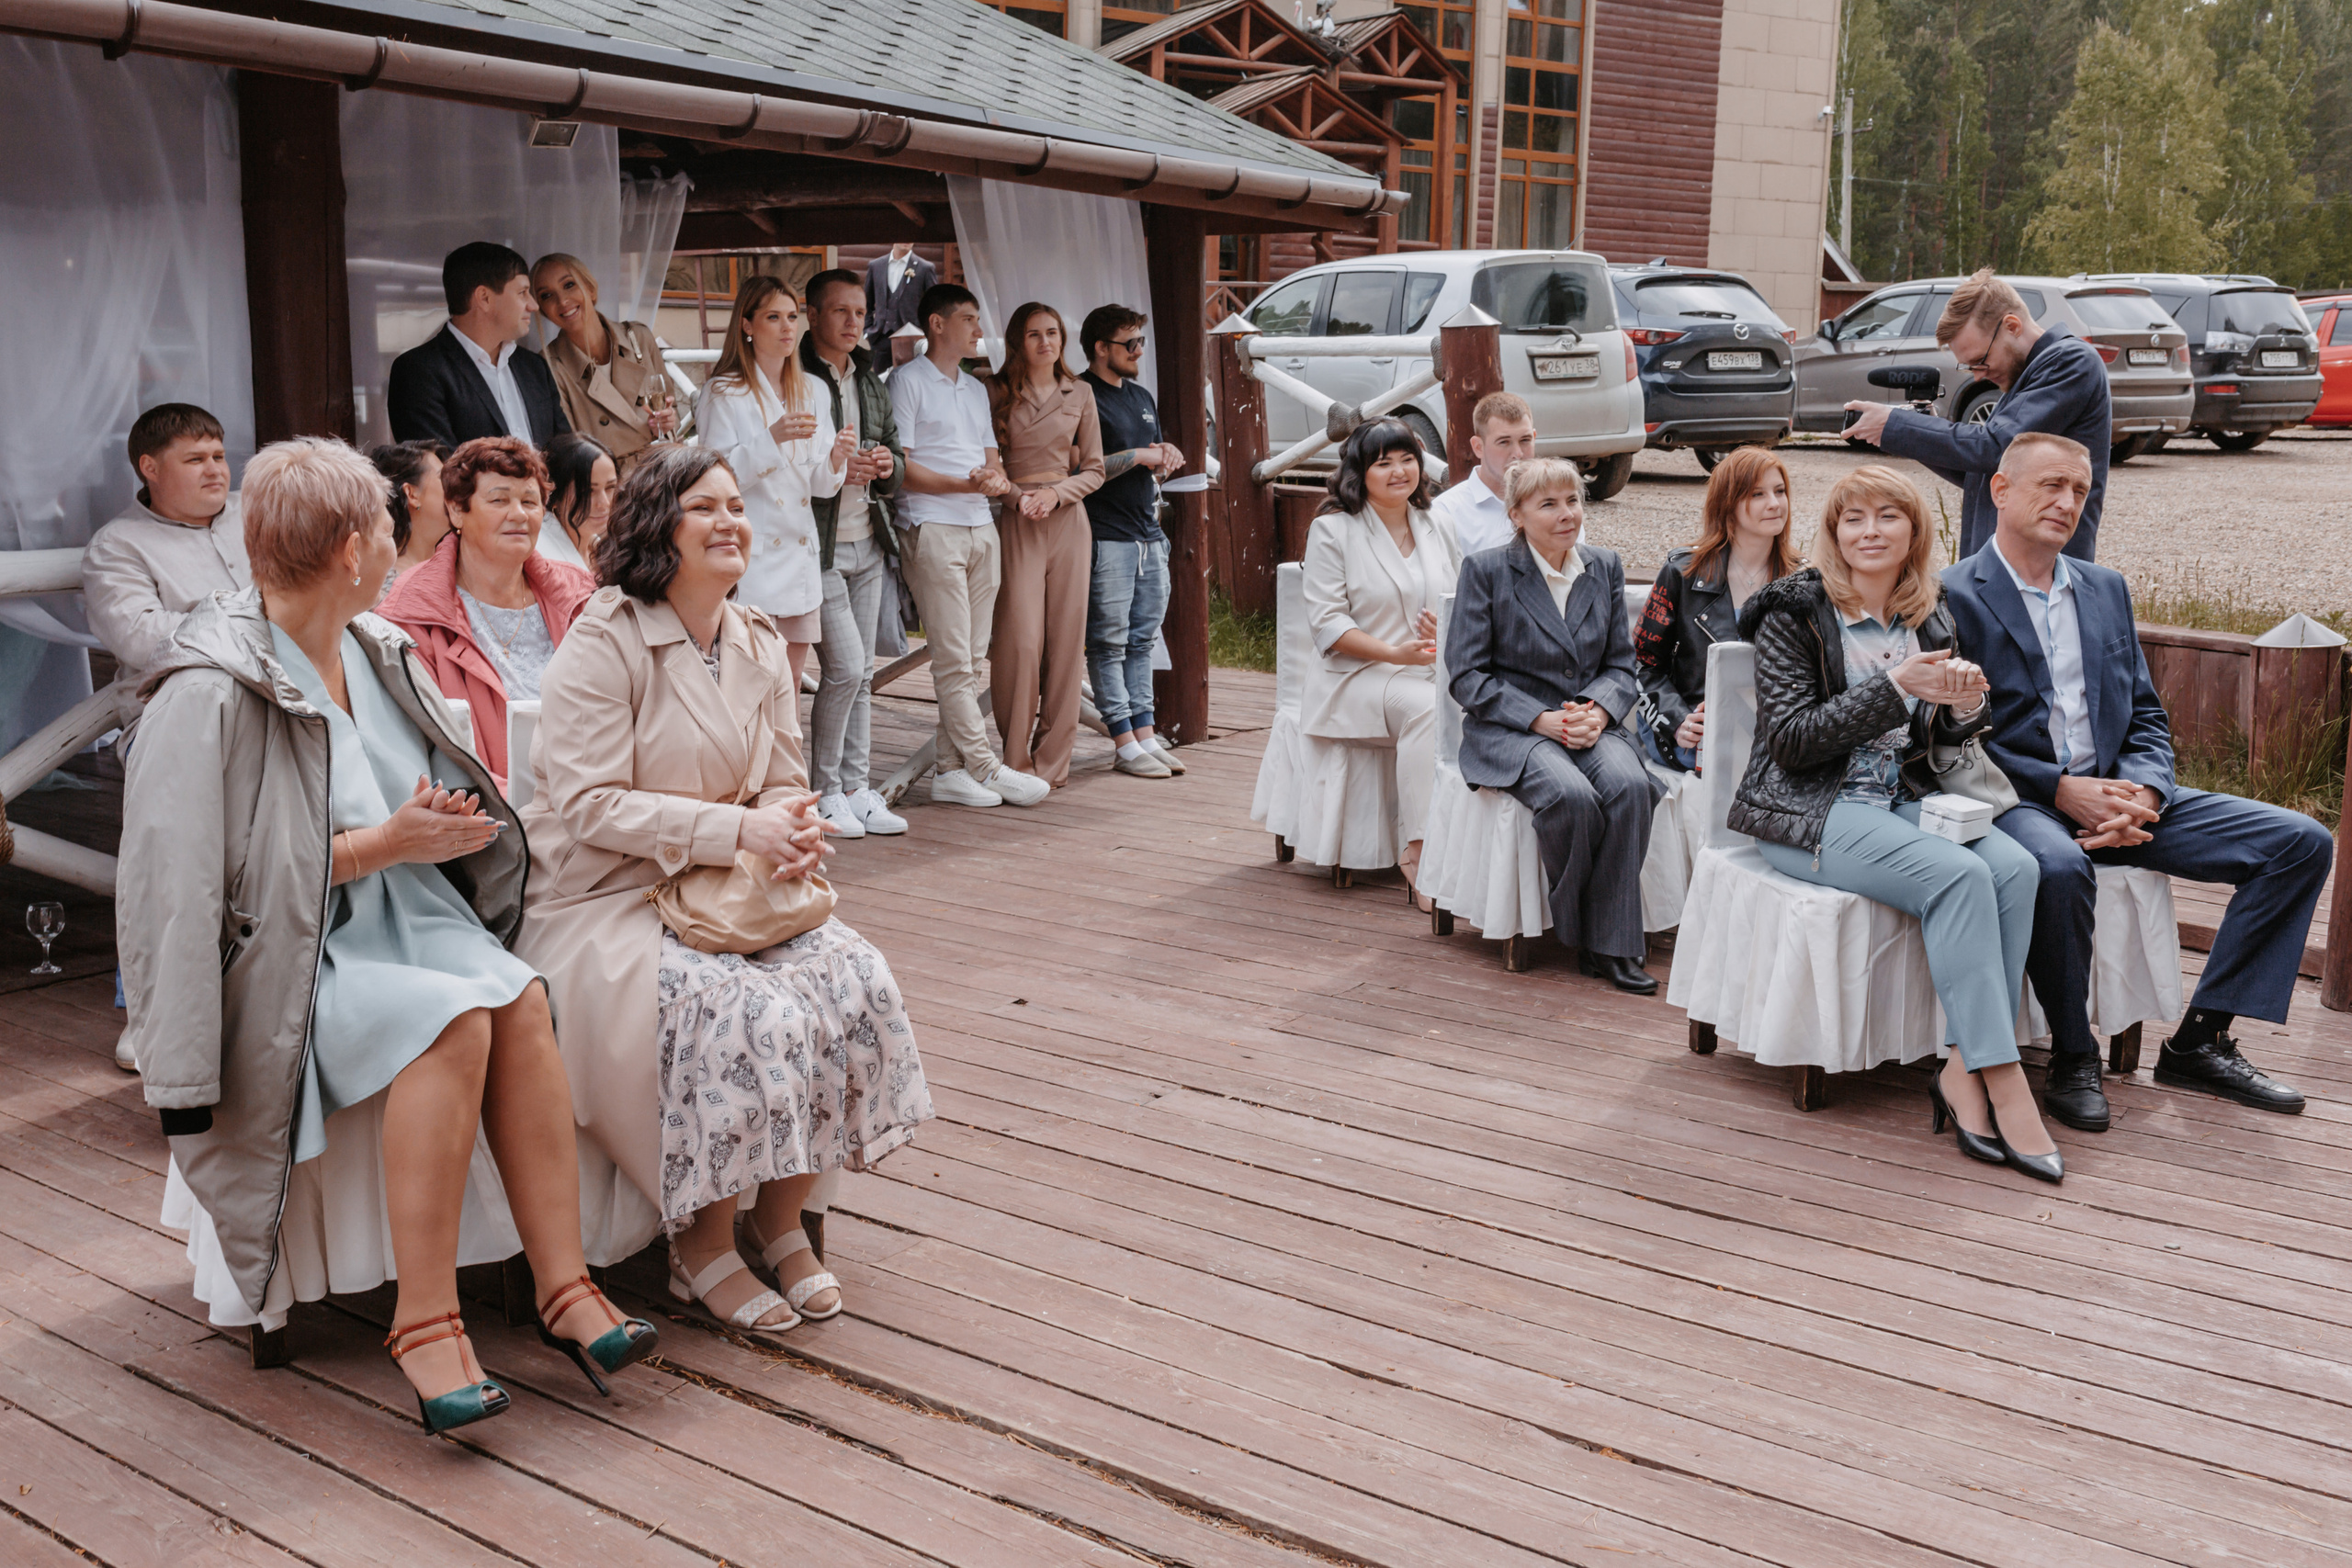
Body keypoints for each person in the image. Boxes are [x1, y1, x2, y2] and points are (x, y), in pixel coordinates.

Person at [123, 435, 653, 1434]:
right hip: (294, 955)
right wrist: (386, 844)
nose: (398, 538)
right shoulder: (205, 692)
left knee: (519, 996)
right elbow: (186, 891)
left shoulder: (375, 649)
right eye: (383, 525)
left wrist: (442, 826)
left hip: (411, 917)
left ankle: (564, 1285)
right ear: (347, 552)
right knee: (452, 1017)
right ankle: (424, 1321)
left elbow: (412, 795)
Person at [518, 445, 935, 1337]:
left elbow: (782, 778)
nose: (729, 522)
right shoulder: (605, 635)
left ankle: (779, 1221)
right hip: (608, 898)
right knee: (743, 1009)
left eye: (737, 506)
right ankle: (699, 1242)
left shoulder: (755, 638)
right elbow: (589, 806)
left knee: (851, 979)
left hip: (727, 889)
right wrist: (739, 831)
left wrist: (794, 827)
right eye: (704, 507)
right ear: (656, 525)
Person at [1944, 432, 2325, 1131]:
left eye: (2079, 490)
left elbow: (2145, 714)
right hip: (2021, 800)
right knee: (2058, 868)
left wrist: (2145, 794)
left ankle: (2199, 1041)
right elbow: (1953, 738)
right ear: (2000, 490)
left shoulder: (2104, 588)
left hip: (2121, 796)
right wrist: (2062, 790)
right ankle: (2073, 1054)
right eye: (2051, 485)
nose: (2067, 503)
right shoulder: (1951, 594)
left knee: (2299, 842)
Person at [1729, 464, 2057, 1179]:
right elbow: (1790, 740)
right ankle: (2004, 1080)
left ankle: (1962, 1069)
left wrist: (1964, 706)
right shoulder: (1794, 613)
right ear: (1834, 531)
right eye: (1854, 518)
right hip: (1809, 807)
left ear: (1914, 532)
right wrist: (1894, 685)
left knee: (2015, 868)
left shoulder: (1930, 614)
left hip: (1899, 796)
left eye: (1888, 517)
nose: (1869, 532)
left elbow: (1938, 741)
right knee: (1960, 876)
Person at [1447, 459, 1660, 993]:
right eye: (1548, 504)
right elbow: (1467, 677)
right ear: (1516, 515)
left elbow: (1621, 665)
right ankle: (1594, 934)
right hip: (1513, 728)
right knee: (1571, 796)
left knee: (1631, 787)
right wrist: (1541, 719)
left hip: (1587, 720)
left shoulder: (1604, 566)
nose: (1567, 514)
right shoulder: (1487, 570)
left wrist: (1599, 712)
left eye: (1573, 501)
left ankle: (1610, 944)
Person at [890, 283, 1046, 808]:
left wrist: (994, 480)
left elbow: (991, 459)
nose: (980, 330)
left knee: (971, 658)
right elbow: (901, 466)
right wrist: (966, 485)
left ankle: (950, 770)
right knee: (954, 659)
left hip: (982, 526)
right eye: (969, 319)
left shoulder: (976, 389)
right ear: (938, 324)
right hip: (932, 525)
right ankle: (986, 766)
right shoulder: (906, 381)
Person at [1844, 268, 2110, 561]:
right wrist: (1919, 428)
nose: (1978, 376)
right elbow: (1982, 472)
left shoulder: (2070, 361)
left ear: (2012, 326)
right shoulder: (2026, 378)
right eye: (1969, 367)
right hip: (2003, 567)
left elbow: (1994, 447)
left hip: (2043, 570)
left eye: (1980, 361)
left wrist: (1896, 425)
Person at [376, 437, 595, 791]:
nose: (519, 514)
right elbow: (425, 753)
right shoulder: (412, 613)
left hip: (595, 793)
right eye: (499, 500)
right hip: (489, 810)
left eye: (530, 501)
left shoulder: (581, 595)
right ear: (456, 510)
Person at [1301, 419, 1461, 901]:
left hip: (1432, 667)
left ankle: (1478, 849)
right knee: (1428, 709)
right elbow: (1327, 623)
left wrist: (1448, 629)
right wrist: (1393, 652)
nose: (1399, 472)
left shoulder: (1437, 523)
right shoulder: (1333, 530)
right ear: (1359, 473)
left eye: (1408, 459)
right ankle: (1420, 853)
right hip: (1357, 676)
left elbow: (1464, 600)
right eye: (1384, 463)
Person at [695, 276, 854, 684]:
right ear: (747, 325)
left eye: (792, 317)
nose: (787, 328)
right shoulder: (723, 392)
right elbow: (713, 480)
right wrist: (772, 439)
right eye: (773, 317)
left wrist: (837, 457)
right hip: (753, 563)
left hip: (799, 562)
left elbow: (818, 485)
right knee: (747, 689)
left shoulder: (813, 390)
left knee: (790, 690)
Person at [800, 266, 909, 839]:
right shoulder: (794, 374)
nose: (852, 322)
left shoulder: (869, 376)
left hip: (867, 540)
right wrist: (837, 469)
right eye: (840, 311)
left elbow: (893, 451)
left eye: (860, 313)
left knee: (863, 674)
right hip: (815, 547)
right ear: (812, 314)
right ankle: (824, 793)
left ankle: (858, 789)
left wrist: (888, 466)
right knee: (843, 671)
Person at [989, 301, 1105, 789]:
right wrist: (1018, 498)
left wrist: (1056, 495)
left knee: (1066, 642)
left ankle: (1053, 762)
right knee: (1020, 641)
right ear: (1018, 340)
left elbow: (1095, 470)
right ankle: (1014, 760)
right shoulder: (995, 390)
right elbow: (990, 462)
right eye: (1034, 334)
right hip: (1018, 519)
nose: (1045, 342)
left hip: (1068, 520)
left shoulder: (1081, 392)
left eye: (1053, 332)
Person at [1633, 446, 1802, 770]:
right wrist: (1678, 721)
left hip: (1774, 735)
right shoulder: (1682, 573)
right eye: (1757, 494)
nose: (1775, 503)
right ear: (1727, 504)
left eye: (1780, 491)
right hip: (1693, 728)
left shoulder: (1803, 581)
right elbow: (1642, 665)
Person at [1079, 304, 1186, 778]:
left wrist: (1165, 455)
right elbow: (1082, 468)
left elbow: (1151, 455)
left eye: (1141, 341)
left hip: (1148, 532)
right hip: (1107, 535)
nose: (1139, 350)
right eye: (1130, 343)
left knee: (1143, 640)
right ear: (1101, 348)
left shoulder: (1140, 395)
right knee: (1108, 643)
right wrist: (1140, 455)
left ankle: (1145, 733)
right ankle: (1123, 743)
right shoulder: (1082, 394)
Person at [83, 403, 252, 694]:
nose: (214, 470)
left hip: (289, 691)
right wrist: (258, 626)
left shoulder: (261, 509)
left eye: (219, 457)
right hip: (183, 704)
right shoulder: (116, 545)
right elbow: (140, 638)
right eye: (195, 460)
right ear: (151, 468)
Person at [388, 242, 571, 451]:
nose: (534, 305)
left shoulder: (535, 367)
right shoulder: (417, 372)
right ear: (484, 298)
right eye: (522, 292)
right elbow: (437, 465)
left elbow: (565, 452)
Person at [531, 252, 679, 474]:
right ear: (542, 310)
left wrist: (666, 424)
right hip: (612, 484)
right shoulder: (549, 365)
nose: (562, 301)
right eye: (547, 296)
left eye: (569, 285)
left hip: (665, 470)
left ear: (590, 289)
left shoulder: (638, 337)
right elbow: (570, 450)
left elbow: (670, 409)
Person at [1428, 391, 1537, 558]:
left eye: (1525, 440)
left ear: (1534, 437)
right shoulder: (1446, 513)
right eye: (1504, 442)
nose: (1518, 453)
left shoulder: (1559, 501)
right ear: (1478, 447)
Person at [370, 440, 452, 599]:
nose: (454, 486)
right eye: (443, 478)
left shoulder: (460, 570)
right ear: (412, 494)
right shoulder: (384, 591)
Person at [537, 433, 617, 574]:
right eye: (588, 491)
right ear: (554, 492)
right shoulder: (544, 559)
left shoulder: (601, 546)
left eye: (610, 487)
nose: (604, 503)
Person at [865, 243, 938, 354]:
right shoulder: (875, 266)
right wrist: (867, 331)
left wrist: (924, 334)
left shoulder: (925, 268)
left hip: (912, 341)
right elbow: (866, 303)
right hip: (880, 339)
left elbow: (934, 305)